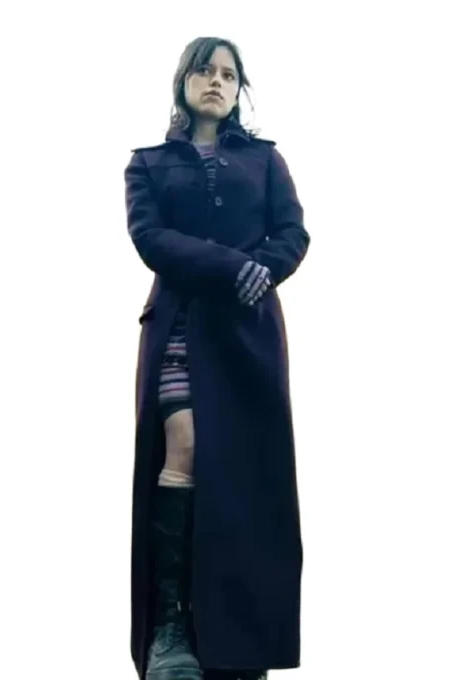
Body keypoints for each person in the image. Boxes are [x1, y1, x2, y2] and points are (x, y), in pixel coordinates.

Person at [124, 36, 310, 680]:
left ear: (238, 90)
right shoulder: (147, 164)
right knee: (185, 446)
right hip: (179, 324)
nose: (217, 82)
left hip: (247, 335)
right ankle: (170, 629)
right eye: (205, 71)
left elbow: (293, 232)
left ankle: (239, 642)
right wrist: (235, 266)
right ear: (183, 82)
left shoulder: (266, 160)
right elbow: (150, 237)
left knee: (243, 474)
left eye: (229, 75)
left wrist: (267, 268)